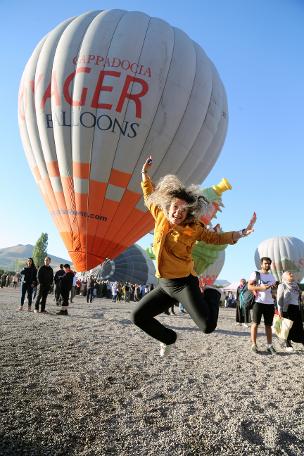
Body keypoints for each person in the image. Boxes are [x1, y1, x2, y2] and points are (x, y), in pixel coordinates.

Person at [132, 157, 256, 356]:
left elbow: (215, 238)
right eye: (175, 208)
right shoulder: (160, 214)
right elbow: (148, 195)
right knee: (138, 317)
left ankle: (212, 294)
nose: (178, 213)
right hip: (164, 284)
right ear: (168, 205)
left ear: (189, 212)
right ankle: (169, 338)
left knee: (207, 326)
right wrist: (144, 175)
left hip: (184, 283)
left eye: (183, 210)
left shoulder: (193, 228)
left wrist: (240, 233)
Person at [248, 257, 277, 354]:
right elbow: (249, 286)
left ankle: (269, 346)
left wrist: (274, 290)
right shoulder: (256, 274)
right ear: (261, 264)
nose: (267, 265)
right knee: (255, 323)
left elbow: (273, 292)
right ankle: (254, 345)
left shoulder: (272, 277)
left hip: (270, 303)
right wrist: (261, 287)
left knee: (268, 325)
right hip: (258, 302)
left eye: (269, 263)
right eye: (265, 263)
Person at [277, 271, 304, 351]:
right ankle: (288, 344)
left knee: (299, 326)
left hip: (296, 308)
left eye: (292, 273)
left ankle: (302, 341)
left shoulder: (296, 285)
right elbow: (279, 299)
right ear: (284, 276)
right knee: (288, 327)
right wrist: (280, 311)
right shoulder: (282, 286)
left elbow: (299, 296)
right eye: (290, 273)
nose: (292, 274)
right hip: (287, 309)